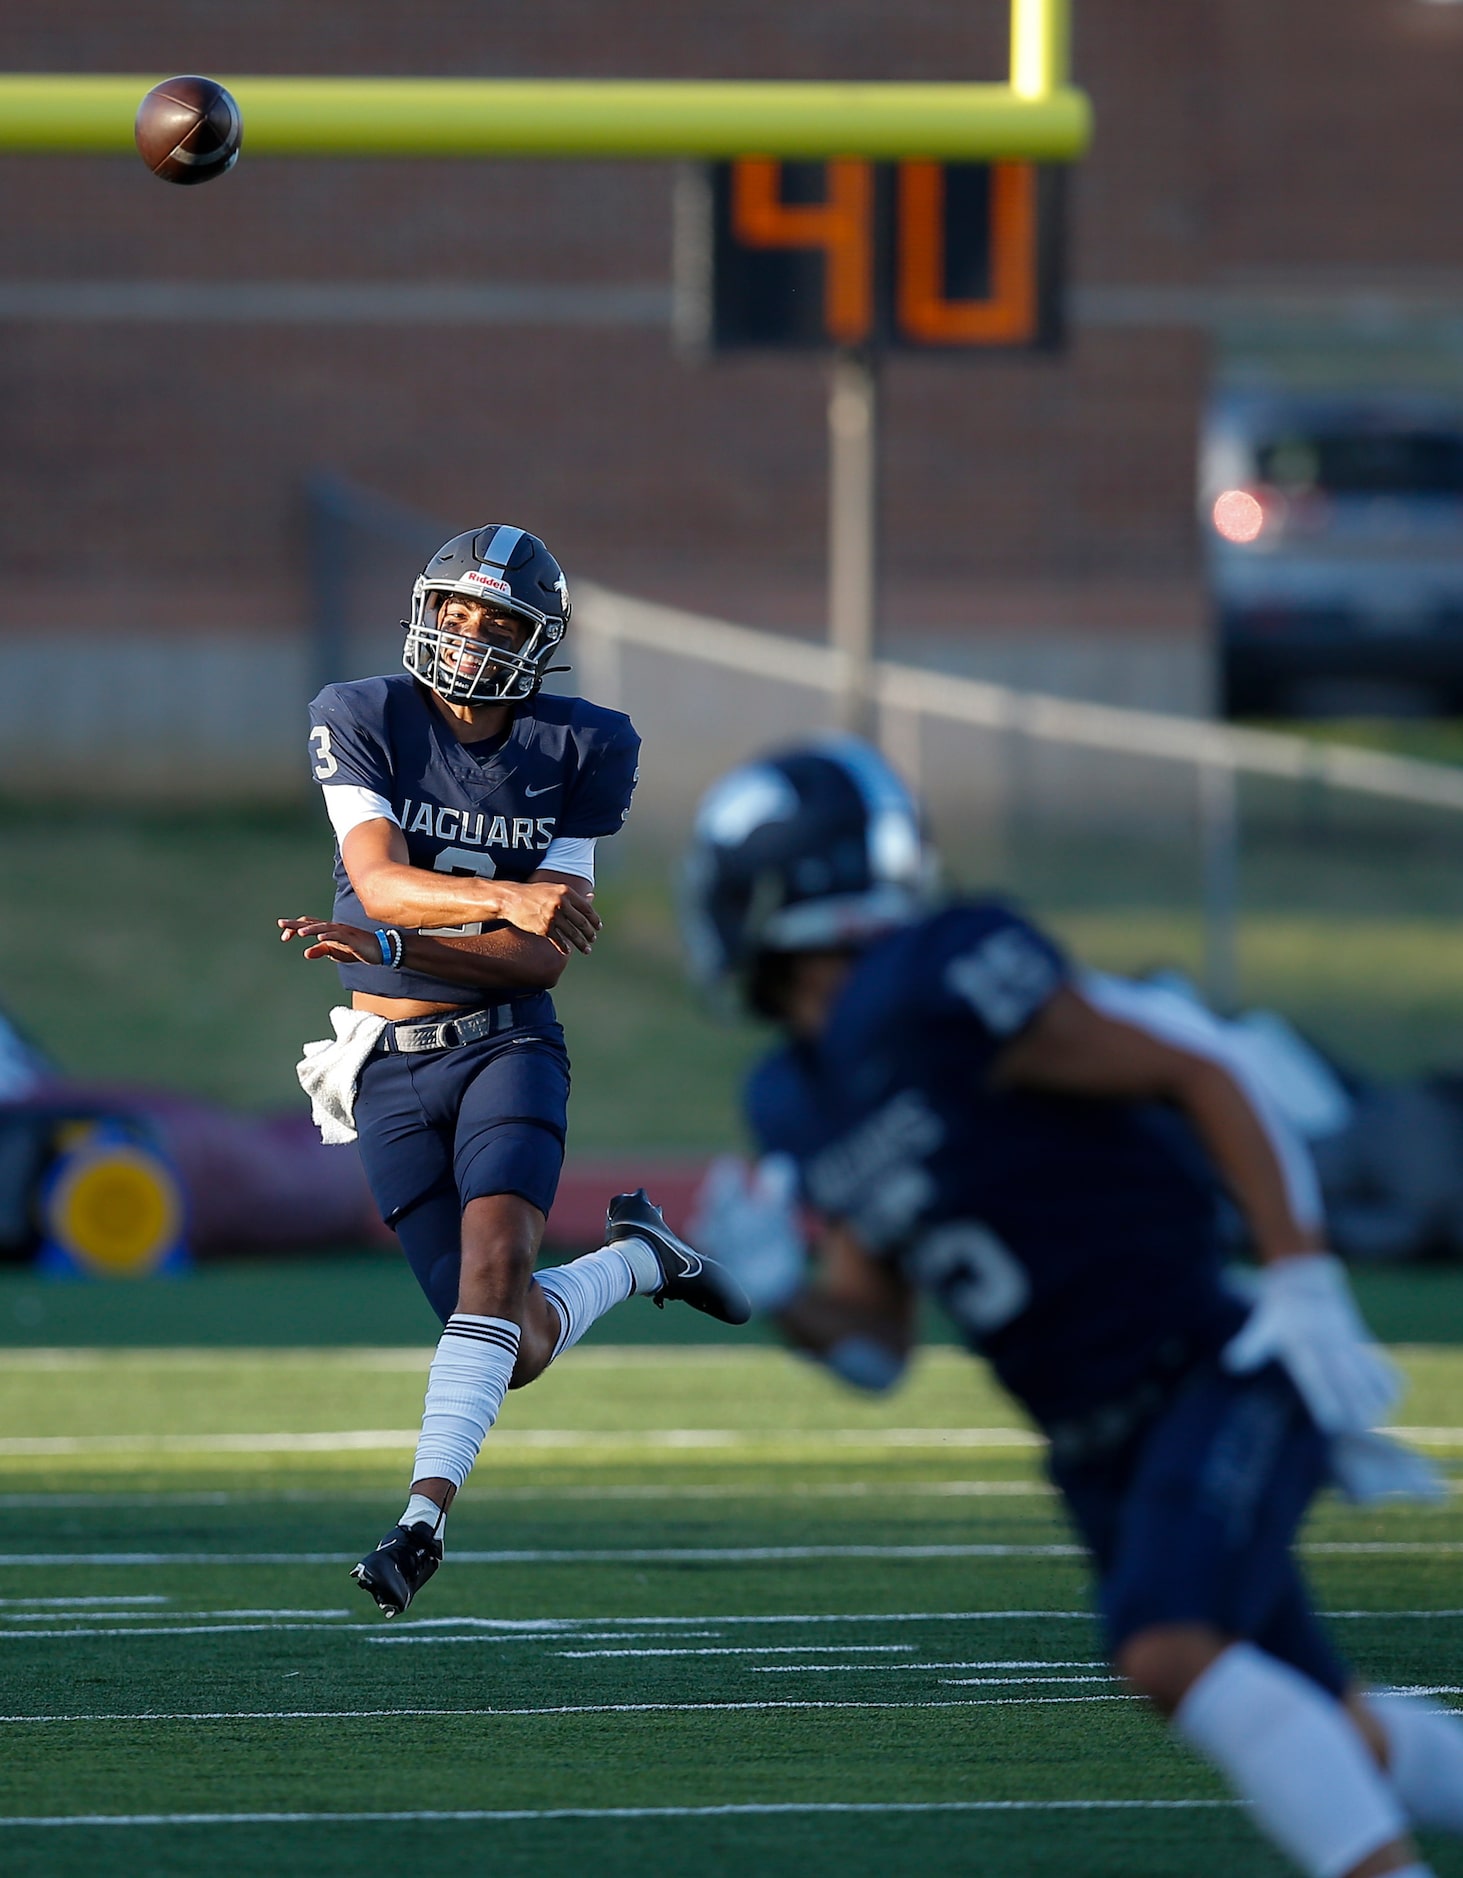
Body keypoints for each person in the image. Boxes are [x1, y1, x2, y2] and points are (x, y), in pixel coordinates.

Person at [683, 735, 1463, 1878]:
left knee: (1162, 1646)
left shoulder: (941, 979)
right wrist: (782, 1293)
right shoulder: (793, 1094)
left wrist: (1299, 1281)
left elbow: (1199, 1071)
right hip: (1095, 1445)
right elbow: (877, 1346)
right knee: (1328, 1719)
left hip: (1212, 1364)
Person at [279, 524, 747, 1618]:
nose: (469, 636)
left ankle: (418, 1525)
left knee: (494, 1279)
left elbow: (541, 954)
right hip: (387, 1064)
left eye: (497, 622)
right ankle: (639, 1262)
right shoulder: (359, 713)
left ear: (538, 643)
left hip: (506, 1040)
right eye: (455, 612)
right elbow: (379, 881)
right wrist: (483, 902)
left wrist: (416, 936)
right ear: (424, 610)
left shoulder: (583, 745)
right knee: (508, 1345)